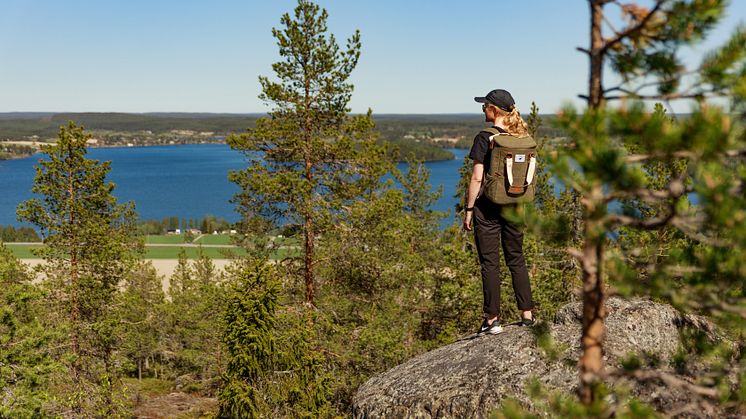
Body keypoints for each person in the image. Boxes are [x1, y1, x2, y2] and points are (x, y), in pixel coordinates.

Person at [464, 88, 535, 335]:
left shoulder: (485, 137)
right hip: (516, 206)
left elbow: (476, 178)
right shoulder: (522, 136)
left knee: (490, 262)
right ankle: (527, 315)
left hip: (488, 207)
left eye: (485, 106)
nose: (483, 109)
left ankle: (492, 320)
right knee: (516, 258)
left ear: (494, 110)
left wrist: (469, 209)